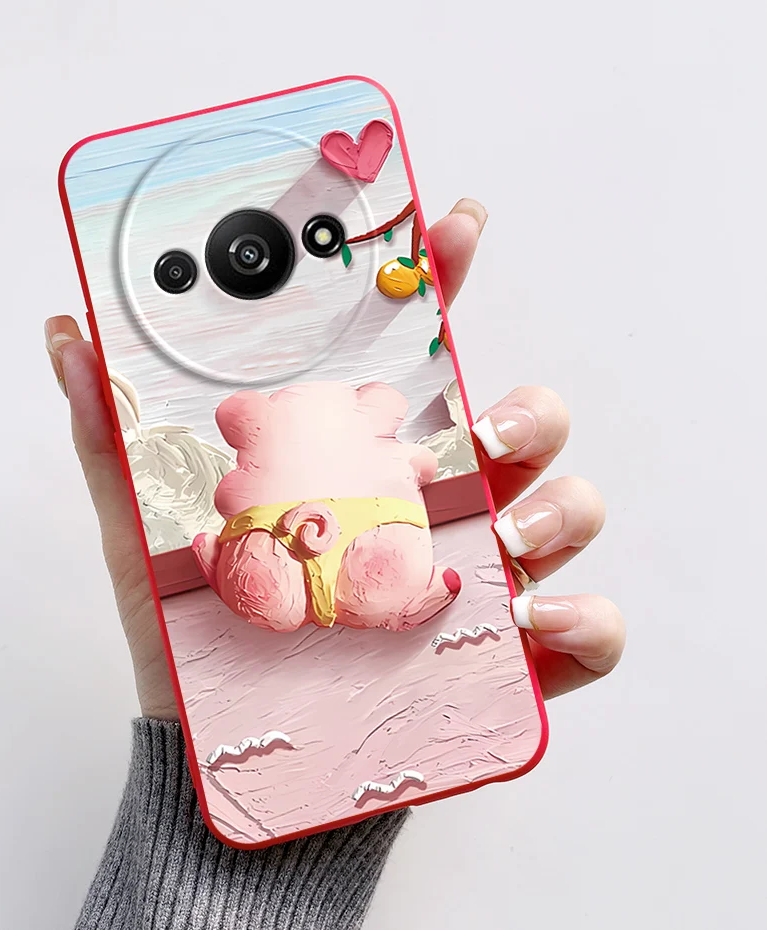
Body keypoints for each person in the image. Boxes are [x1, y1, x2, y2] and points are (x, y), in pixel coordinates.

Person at [44, 198, 626, 930]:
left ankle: (336, 587)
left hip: (270, 546)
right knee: (386, 573)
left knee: (267, 585)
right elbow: (414, 463)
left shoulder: (259, 427)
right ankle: (406, 599)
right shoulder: (372, 419)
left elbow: (255, 469)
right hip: (360, 536)